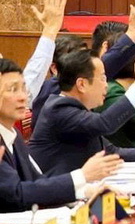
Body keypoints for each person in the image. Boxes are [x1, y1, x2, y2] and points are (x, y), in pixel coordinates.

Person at [28, 44, 135, 177]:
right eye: (102, 78)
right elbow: (105, 124)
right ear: (81, 84)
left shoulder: (79, 110)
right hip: (52, 196)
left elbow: (111, 151)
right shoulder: (59, 109)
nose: (106, 85)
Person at [0, 58, 122, 210]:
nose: (23, 97)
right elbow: (17, 194)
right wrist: (82, 176)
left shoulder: (14, 135)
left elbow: (37, 183)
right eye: (12, 89)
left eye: (23, 89)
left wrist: (86, 191)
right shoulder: (60, 109)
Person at [30, 0, 135, 117]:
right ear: (55, 68)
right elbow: (105, 123)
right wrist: (132, 32)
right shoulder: (52, 88)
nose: (105, 84)